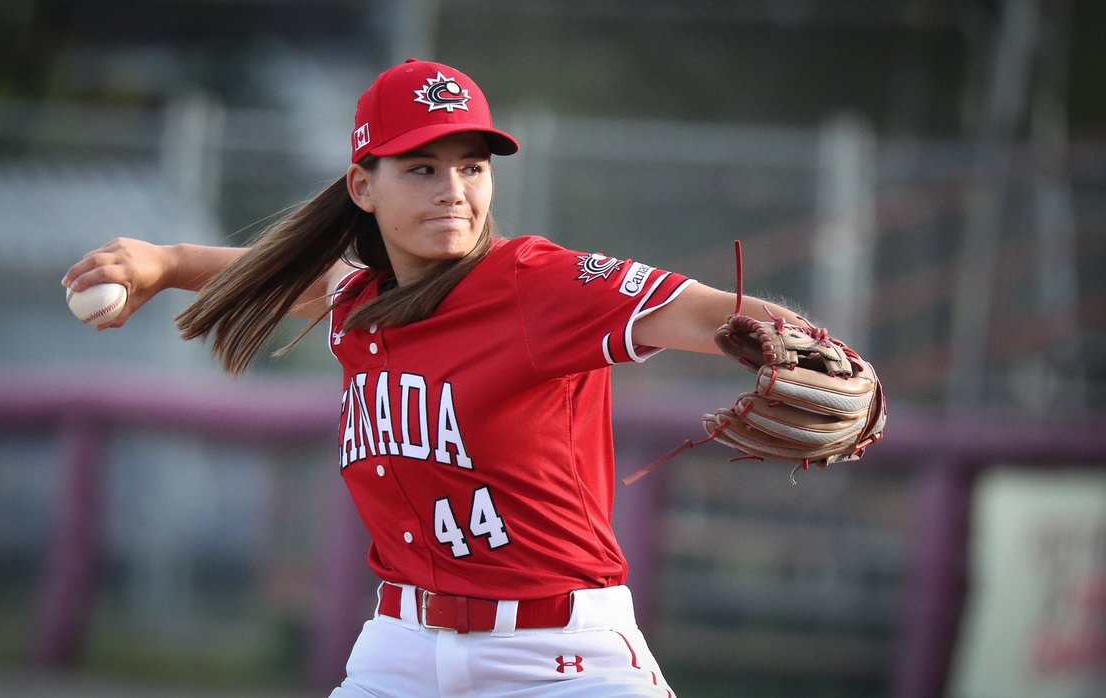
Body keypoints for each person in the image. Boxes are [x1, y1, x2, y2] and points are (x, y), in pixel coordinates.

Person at [63, 58, 811, 697]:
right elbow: (295, 279)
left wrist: (798, 346)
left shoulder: (539, 285)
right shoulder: (362, 303)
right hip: (402, 651)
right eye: (422, 167)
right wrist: (164, 264)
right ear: (364, 187)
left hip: (561, 660)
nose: (453, 189)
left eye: (472, 166)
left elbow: (703, 311)